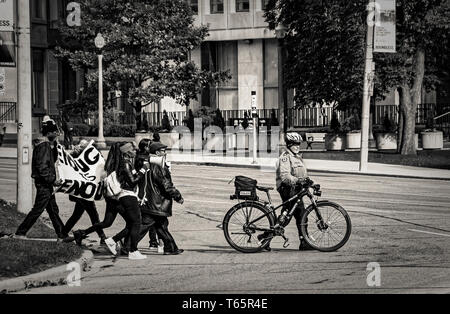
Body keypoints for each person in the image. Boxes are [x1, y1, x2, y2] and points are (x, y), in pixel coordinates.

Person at [14, 117, 68, 241]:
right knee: (38, 210)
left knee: (53, 210)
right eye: (55, 132)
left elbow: (51, 161)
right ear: (49, 133)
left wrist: (55, 146)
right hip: (44, 184)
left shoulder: (47, 146)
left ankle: (62, 235)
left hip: (46, 184)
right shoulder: (43, 146)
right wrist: (52, 180)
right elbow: (42, 167)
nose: (57, 134)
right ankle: (20, 233)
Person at [102, 141, 150, 260]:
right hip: (127, 196)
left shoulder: (127, 163)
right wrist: (143, 170)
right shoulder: (125, 164)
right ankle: (133, 251)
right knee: (136, 223)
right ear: (127, 152)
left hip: (128, 195)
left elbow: (133, 178)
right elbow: (132, 181)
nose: (135, 151)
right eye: (133, 150)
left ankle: (113, 240)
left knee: (133, 223)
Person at [266, 132, 314, 251]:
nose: (297, 146)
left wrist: (309, 183)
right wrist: (299, 181)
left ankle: (304, 242)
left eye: (299, 144)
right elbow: (285, 177)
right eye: (294, 144)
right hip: (287, 189)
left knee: (301, 215)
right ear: (289, 145)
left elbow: (302, 174)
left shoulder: (297, 157)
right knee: (288, 216)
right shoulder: (285, 158)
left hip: (296, 189)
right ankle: (265, 238)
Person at [138, 142, 184, 255]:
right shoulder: (159, 167)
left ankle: (170, 248)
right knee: (144, 226)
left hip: (152, 201)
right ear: (157, 153)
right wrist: (178, 196)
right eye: (163, 151)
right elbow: (167, 186)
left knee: (161, 226)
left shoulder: (148, 164)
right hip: (157, 203)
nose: (165, 152)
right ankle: (127, 245)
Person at [62, 139, 107, 244]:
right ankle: (102, 237)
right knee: (93, 214)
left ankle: (63, 232)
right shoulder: (77, 157)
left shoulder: (91, 156)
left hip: (86, 190)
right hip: (83, 191)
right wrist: (73, 153)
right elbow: (68, 164)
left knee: (78, 214)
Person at [134, 138, 160, 250]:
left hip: (147, 190)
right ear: (145, 147)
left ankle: (153, 241)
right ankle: (127, 242)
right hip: (144, 191)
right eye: (150, 145)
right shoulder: (143, 159)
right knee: (146, 220)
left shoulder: (143, 158)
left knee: (150, 219)